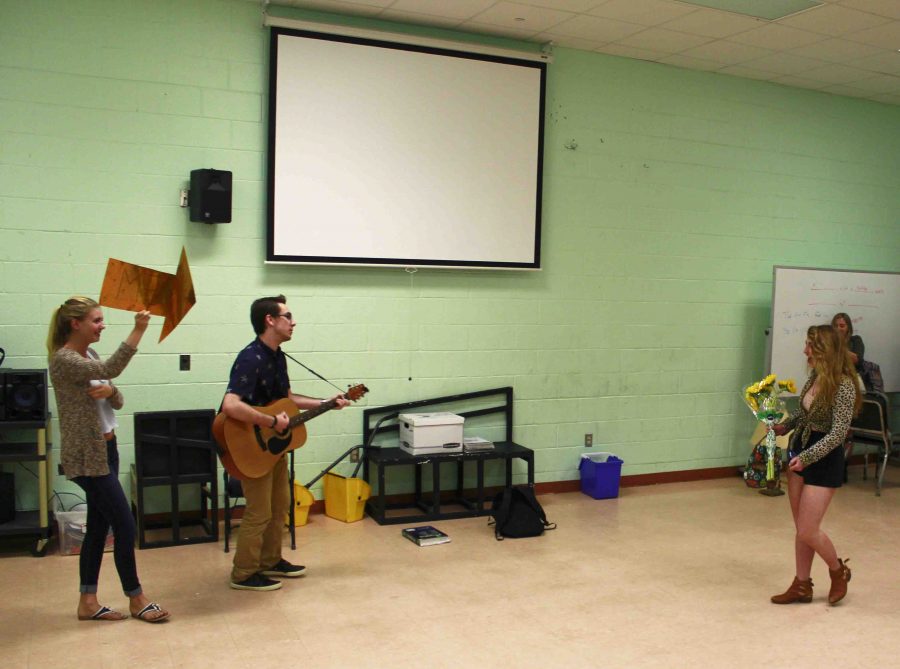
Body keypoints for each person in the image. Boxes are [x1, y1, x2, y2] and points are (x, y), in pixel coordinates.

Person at [47, 297, 169, 623]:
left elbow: (116, 395)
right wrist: (138, 329)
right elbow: (110, 370)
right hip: (89, 457)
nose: (102, 326)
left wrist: (109, 393)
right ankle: (136, 598)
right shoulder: (64, 359)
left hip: (107, 451)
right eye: (97, 321)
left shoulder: (89, 354)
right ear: (76, 324)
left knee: (100, 528)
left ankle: (88, 601)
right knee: (126, 525)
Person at [221, 294, 349, 591]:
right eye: (287, 316)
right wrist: (269, 422)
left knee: (280, 505)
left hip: (273, 447)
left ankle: (269, 560)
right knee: (259, 511)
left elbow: (287, 400)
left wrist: (325, 402)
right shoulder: (250, 357)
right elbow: (230, 405)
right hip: (250, 447)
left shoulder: (277, 356)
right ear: (270, 320)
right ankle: (243, 574)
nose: (293, 322)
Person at [770, 324, 861, 606]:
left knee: (809, 529)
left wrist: (807, 457)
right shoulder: (814, 376)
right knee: (801, 528)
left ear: (825, 349)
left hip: (823, 458)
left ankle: (838, 571)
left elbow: (837, 433)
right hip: (801, 449)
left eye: (810, 345)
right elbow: (805, 412)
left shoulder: (845, 385)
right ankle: (801, 585)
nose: (805, 350)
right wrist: (785, 426)